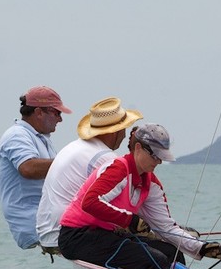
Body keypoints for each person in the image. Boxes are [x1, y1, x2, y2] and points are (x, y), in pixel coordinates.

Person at [58, 124, 221, 269]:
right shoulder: (119, 169)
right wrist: (130, 220)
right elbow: (90, 202)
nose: (158, 161)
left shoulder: (152, 184)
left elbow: (166, 227)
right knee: (155, 260)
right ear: (138, 148)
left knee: (173, 254)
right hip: (76, 237)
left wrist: (200, 247)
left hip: (106, 236)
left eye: (161, 157)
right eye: (155, 155)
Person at [36, 97, 143, 254]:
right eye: (124, 129)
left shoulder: (73, 146)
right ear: (117, 131)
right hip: (68, 235)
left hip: (45, 232)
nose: (124, 135)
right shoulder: (107, 159)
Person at [0, 86, 72, 248]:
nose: (60, 119)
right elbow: (28, 168)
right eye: (57, 113)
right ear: (39, 112)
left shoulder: (40, 138)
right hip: (35, 226)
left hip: (48, 221)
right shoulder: (16, 135)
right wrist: (71, 162)